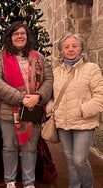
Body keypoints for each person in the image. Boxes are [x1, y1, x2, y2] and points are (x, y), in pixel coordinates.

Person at [0, 21, 54, 188]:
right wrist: (20, 98)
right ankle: (10, 181)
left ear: (27, 37)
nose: (19, 36)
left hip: (33, 110)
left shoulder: (39, 57)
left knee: (30, 148)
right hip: (8, 111)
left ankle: (29, 183)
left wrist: (38, 97)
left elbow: (49, 79)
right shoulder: (0, 58)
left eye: (22, 33)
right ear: (10, 38)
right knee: (9, 147)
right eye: (15, 34)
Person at [47, 32, 103, 188]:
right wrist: (52, 108)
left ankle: (88, 185)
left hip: (83, 121)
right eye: (66, 47)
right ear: (61, 50)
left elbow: (100, 96)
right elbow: (50, 96)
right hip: (63, 122)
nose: (70, 49)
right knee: (70, 160)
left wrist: (82, 110)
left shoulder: (91, 68)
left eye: (74, 46)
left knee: (79, 160)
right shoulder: (56, 71)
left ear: (81, 48)